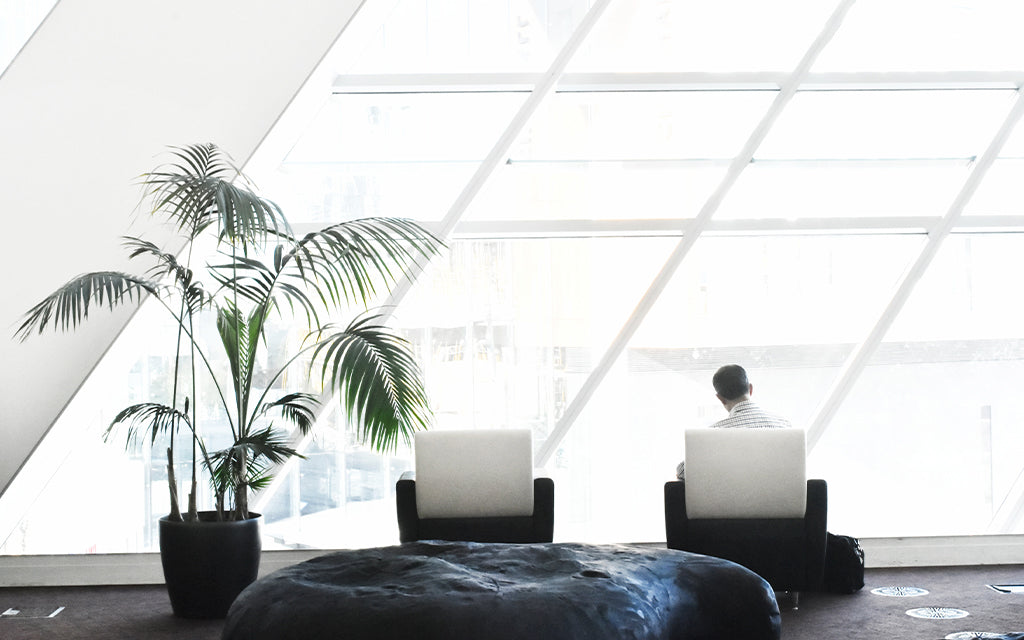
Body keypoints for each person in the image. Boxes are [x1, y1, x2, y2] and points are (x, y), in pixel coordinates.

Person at [675, 364, 791, 479]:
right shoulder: (784, 425)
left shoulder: (713, 434)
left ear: (720, 398)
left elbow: (682, 471)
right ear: (750, 389)